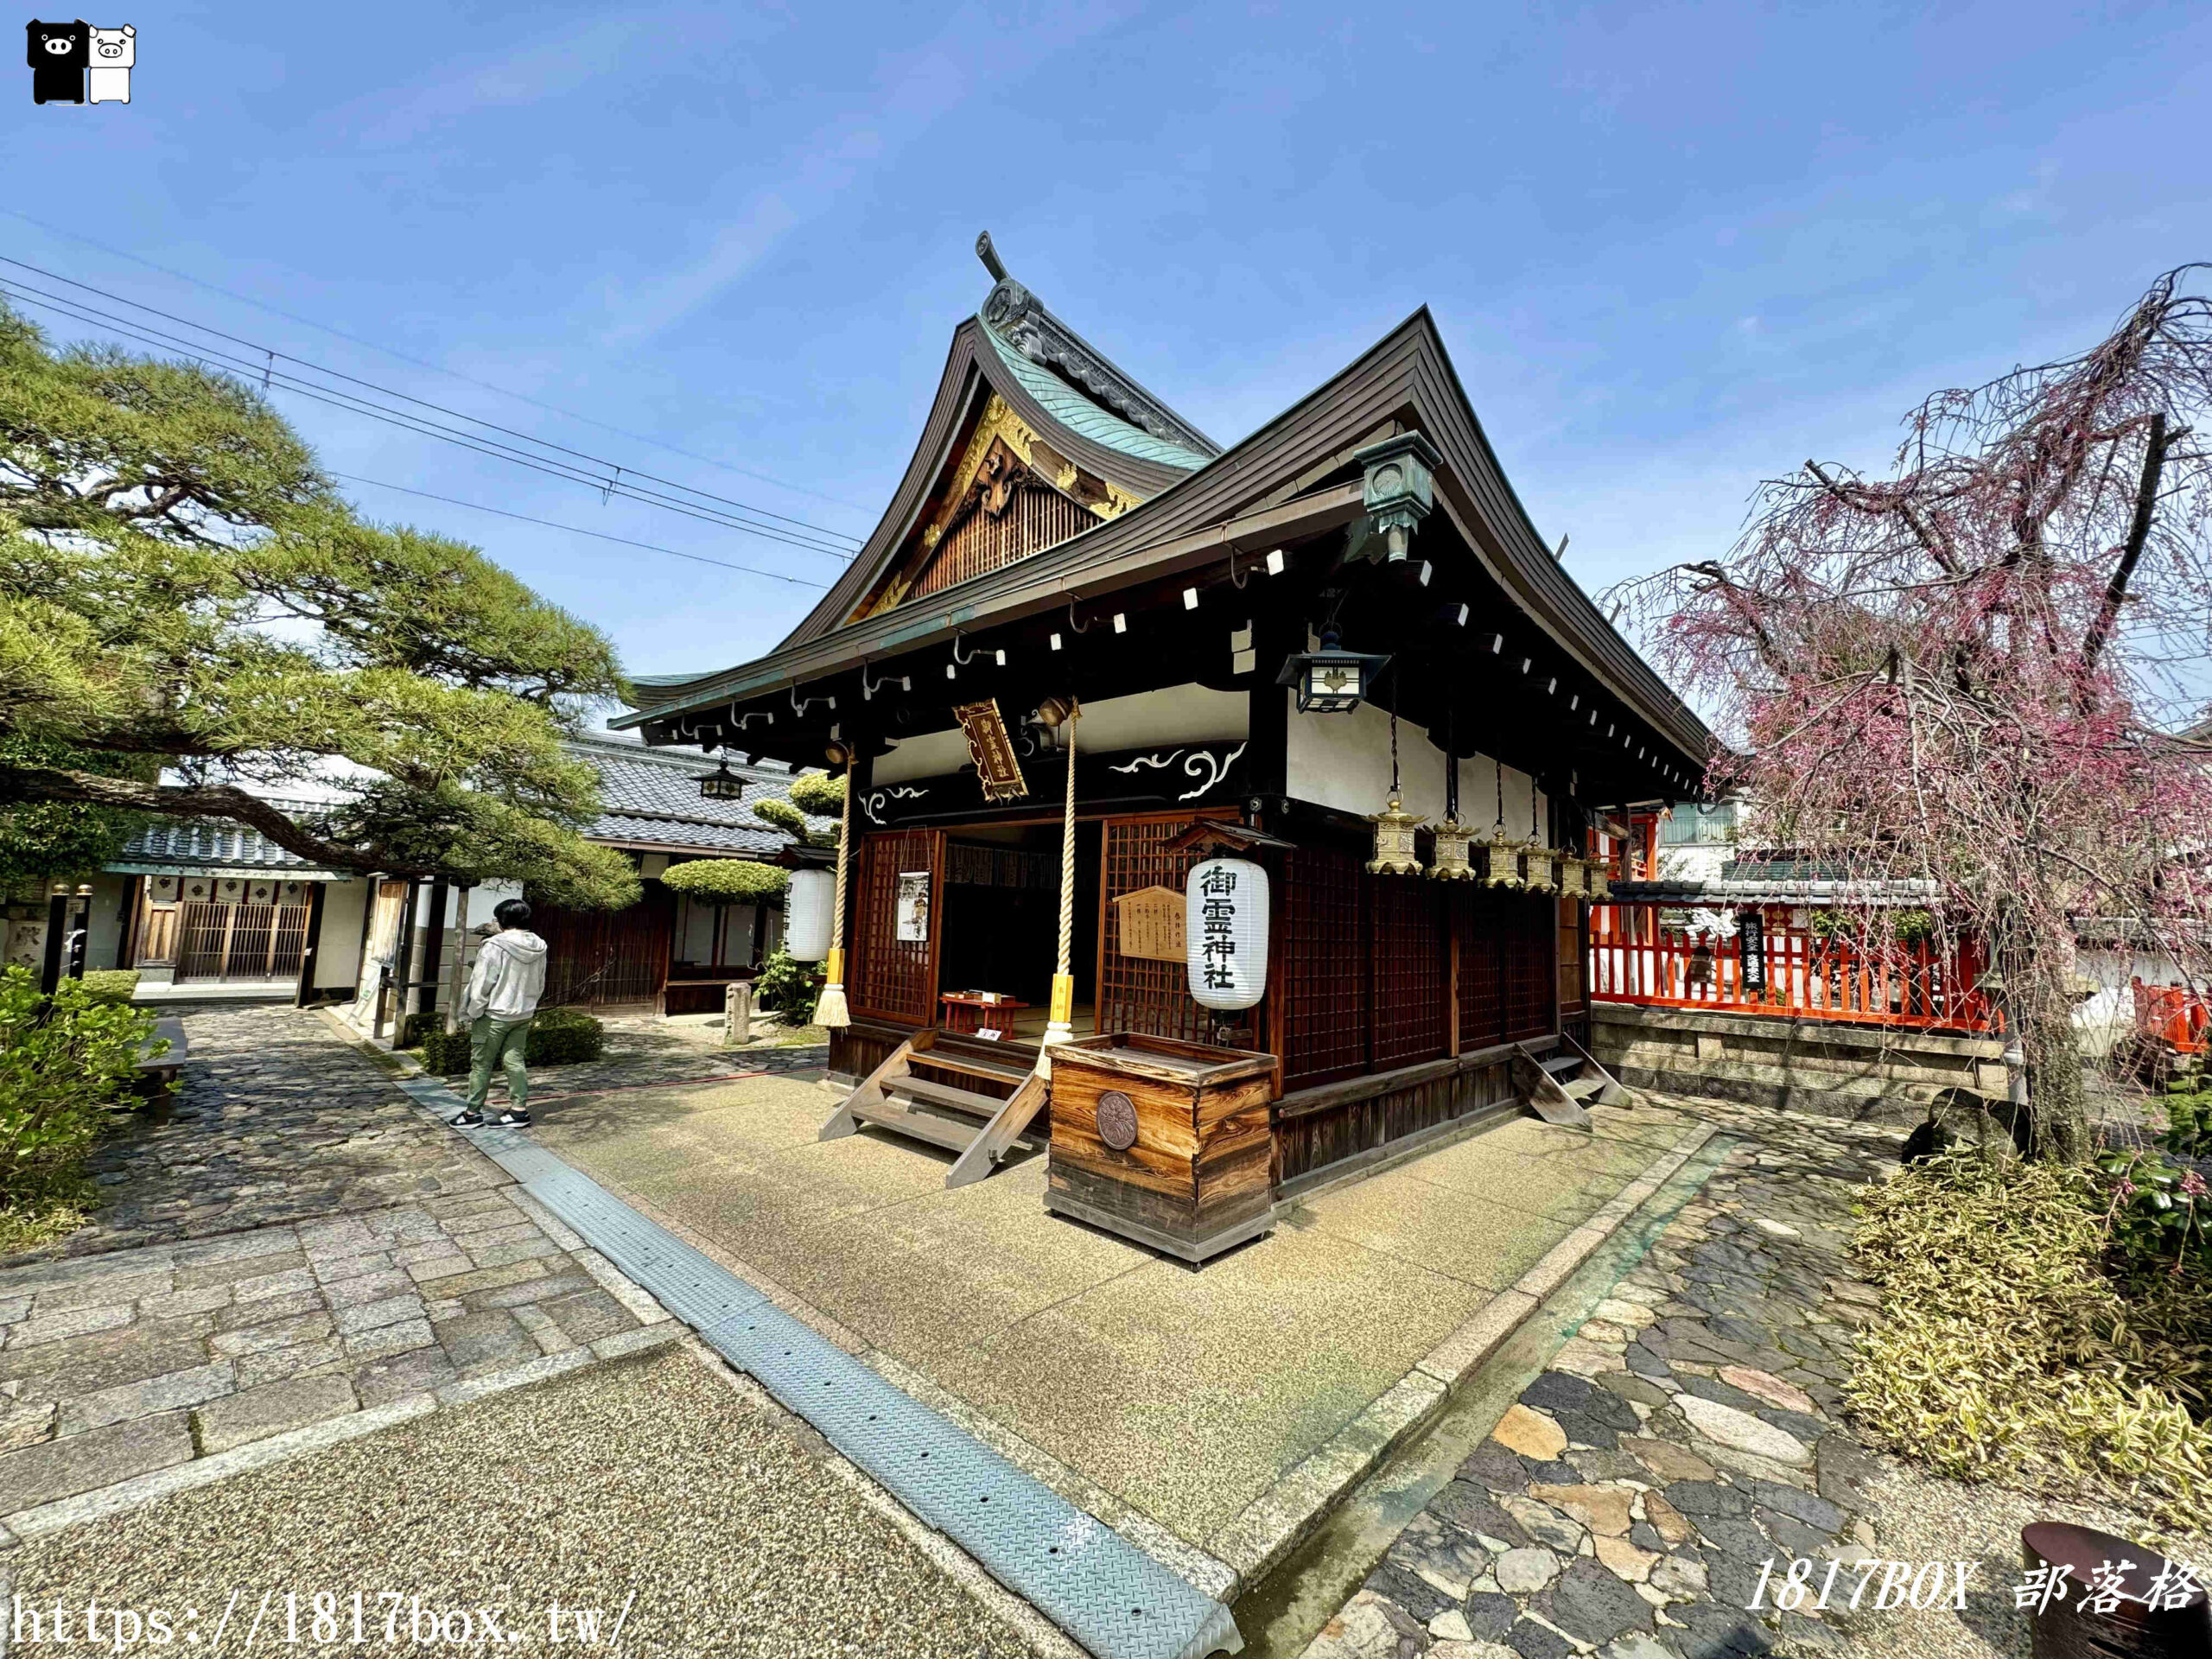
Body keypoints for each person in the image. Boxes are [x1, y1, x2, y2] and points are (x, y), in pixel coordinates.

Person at [449, 898, 548, 1128]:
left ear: (501, 920)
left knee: (481, 1064)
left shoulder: (495, 945)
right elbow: (540, 981)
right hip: (523, 1013)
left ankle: (472, 1114)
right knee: (515, 1061)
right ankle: (518, 1112)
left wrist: (474, 1011)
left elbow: (482, 982)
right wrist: (529, 1004)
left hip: (494, 1014)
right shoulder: (539, 945)